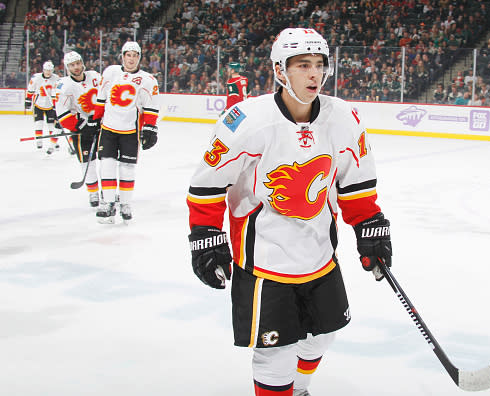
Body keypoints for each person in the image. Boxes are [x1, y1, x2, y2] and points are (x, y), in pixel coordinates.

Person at [186, 28, 392, 396]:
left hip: (319, 254)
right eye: (302, 65)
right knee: (276, 354)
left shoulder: (343, 117)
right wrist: (205, 236)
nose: (314, 74)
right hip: (265, 258)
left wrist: (370, 225)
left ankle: (297, 390)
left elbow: (356, 184)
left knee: (322, 335)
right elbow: (208, 184)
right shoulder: (248, 121)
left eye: (319, 65)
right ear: (280, 71)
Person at [93, 41, 160, 224]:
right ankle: (107, 202)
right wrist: (94, 120)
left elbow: (151, 106)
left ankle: (125, 204)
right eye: (128, 55)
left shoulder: (147, 80)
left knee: (127, 169)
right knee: (106, 165)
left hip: (130, 131)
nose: (131, 59)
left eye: (135, 55)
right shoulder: (110, 72)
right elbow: (101, 97)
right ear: (122, 56)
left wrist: (150, 128)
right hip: (108, 129)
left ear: (139, 58)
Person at [55, 51, 102, 207]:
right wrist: (81, 125)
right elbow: (62, 111)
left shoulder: (95, 76)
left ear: (82, 63)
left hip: (101, 125)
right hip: (82, 130)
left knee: (108, 160)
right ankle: (93, 193)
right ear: (67, 68)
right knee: (88, 162)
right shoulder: (64, 85)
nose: (76, 67)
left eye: (77, 63)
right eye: (72, 65)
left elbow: (107, 96)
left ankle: (108, 190)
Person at [25, 60, 60, 154]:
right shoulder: (36, 77)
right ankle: (39, 140)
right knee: (38, 123)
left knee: (51, 125)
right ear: (43, 70)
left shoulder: (56, 79)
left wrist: (58, 105)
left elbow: (59, 93)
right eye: (46, 70)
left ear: (52, 70)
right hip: (38, 104)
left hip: (51, 105)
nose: (48, 72)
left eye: (50, 70)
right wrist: (28, 100)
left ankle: (53, 142)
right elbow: (30, 89)